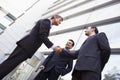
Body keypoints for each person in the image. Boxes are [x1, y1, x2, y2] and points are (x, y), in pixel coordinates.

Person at [0, 15, 63, 79]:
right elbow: (42, 35)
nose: (60, 23)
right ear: (54, 17)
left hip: (27, 48)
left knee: (11, 64)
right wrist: (53, 47)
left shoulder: (47, 25)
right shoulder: (46, 22)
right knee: (10, 64)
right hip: (26, 47)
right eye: (60, 20)